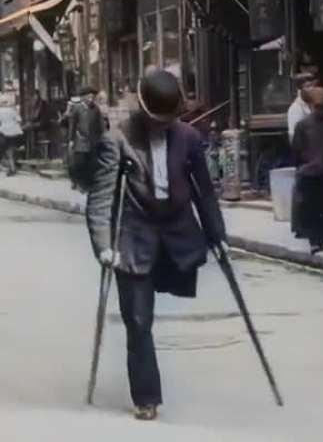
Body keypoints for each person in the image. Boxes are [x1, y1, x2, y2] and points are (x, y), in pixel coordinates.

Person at [86, 68, 227, 421]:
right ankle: (147, 397)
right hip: (134, 238)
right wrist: (104, 245)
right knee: (138, 320)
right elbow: (101, 199)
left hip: (178, 238)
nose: (163, 126)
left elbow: (204, 192)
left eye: (170, 119)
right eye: (157, 120)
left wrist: (217, 235)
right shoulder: (116, 139)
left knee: (153, 309)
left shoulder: (189, 137)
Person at [292, 87, 323, 254]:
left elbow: (296, 150)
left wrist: (302, 166)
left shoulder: (302, 125)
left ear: (310, 104)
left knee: (311, 208)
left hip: (308, 172)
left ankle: (315, 241)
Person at [287, 72, 317, 238]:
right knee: (302, 192)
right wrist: (302, 155)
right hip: (305, 155)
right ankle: (301, 228)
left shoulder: (310, 105)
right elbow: (293, 136)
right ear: (300, 88)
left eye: (312, 85)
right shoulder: (295, 109)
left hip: (314, 154)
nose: (311, 88)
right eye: (307, 86)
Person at [68, 85, 104, 191]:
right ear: (83, 97)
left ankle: (88, 184)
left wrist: (102, 138)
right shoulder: (77, 108)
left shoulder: (95, 109)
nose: (90, 99)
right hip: (80, 140)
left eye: (92, 97)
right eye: (88, 97)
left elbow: (100, 126)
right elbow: (72, 125)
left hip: (92, 140)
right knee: (79, 163)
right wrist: (71, 139)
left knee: (90, 163)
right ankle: (78, 182)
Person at [0, 94, 23, 176]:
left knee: (7, 151)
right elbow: (19, 120)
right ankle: (12, 168)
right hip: (15, 133)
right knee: (10, 150)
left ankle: (12, 168)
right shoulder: (12, 110)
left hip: (4, 133)